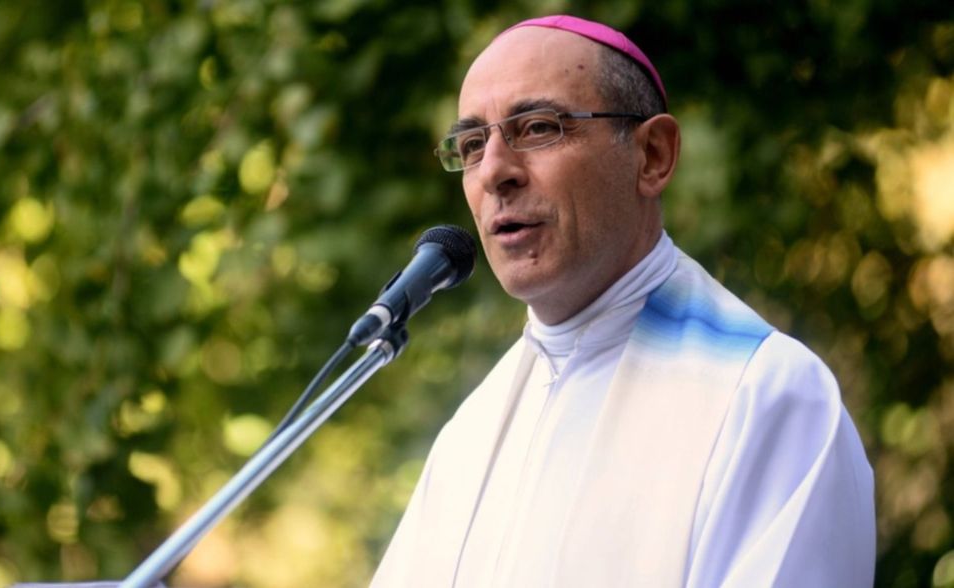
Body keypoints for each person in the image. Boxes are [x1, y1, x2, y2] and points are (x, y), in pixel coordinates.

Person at [371, 14, 875, 588]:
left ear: (653, 156)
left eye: (538, 127)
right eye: (471, 144)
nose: (495, 172)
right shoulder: (470, 435)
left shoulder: (764, 396)